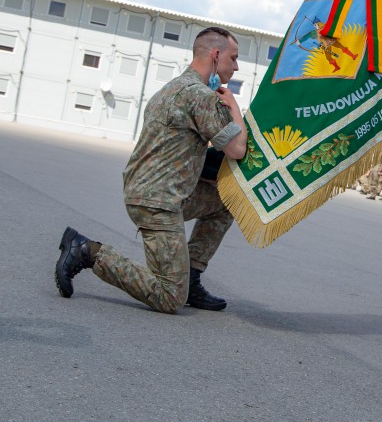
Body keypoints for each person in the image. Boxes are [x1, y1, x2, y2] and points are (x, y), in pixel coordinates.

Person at [55, 26, 248, 313]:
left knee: (226, 201)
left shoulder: (173, 88)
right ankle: (88, 252)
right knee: (170, 297)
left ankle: (191, 276)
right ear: (216, 54)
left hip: (157, 192)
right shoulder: (201, 97)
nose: (236, 65)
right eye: (233, 58)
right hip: (158, 201)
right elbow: (237, 149)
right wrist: (233, 104)